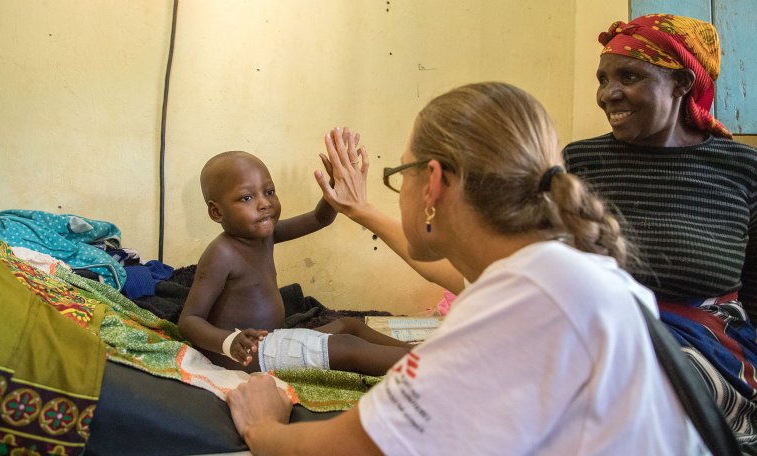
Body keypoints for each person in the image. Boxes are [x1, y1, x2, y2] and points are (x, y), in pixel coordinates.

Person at [225, 82, 707, 454]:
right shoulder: (556, 273)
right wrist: (362, 209)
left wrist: (261, 423)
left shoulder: (517, 307)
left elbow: (346, 450)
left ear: (433, 182)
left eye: (400, 174)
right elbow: (449, 274)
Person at [562, 14, 757, 445]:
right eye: (602, 79)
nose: (608, 94)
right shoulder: (579, 163)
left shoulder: (742, 170)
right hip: (593, 339)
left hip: (701, 353)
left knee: (640, 393)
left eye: (628, 76)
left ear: (683, 82)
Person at [178, 150, 411, 376]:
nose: (264, 203)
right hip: (246, 355)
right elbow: (189, 320)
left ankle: (419, 353)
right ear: (217, 212)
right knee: (348, 347)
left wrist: (334, 187)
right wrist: (229, 342)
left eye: (269, 192)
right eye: (247, 197)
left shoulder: (265, 235)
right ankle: (430, 368)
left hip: (274, 339)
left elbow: (319, 218)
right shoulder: (222, 253)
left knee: (349, 325)